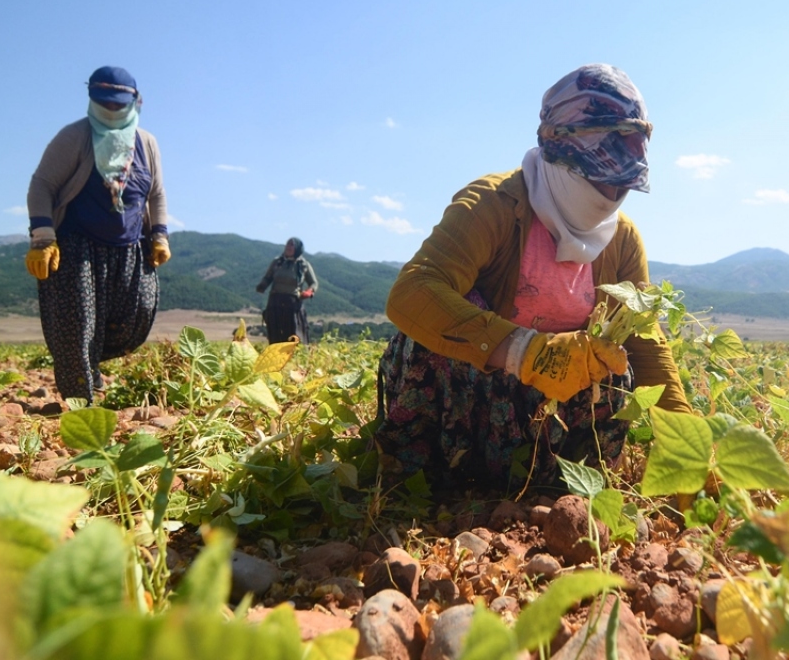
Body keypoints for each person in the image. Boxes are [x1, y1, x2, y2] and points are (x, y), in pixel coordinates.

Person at [375, 64, 693, 493]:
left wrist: (686, 449)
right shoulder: (492, 205)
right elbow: (412, 292)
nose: (610, 194)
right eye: (596, 175)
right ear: (556, 151)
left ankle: (549, 486)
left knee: (615, 364)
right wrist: (524, 352)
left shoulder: (622, 240)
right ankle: (427, 483)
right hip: (470, 402)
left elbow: (645, 342)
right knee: (433, 332)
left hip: (545, 418)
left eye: (621, 183)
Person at [25, 66, 170, 402]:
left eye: (119, 103)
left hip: (130, 247)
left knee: (137, 314)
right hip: (78, 246)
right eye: (105, 103)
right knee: (76, 324)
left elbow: (156, 193)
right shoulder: (74, 136)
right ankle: (81, 400)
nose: (112, 109)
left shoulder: (146, 143)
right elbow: (42, 185)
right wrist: (43, 237)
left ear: (135, 101)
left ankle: (91, 364)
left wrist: (160, 235)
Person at [255, 237, 319, 343]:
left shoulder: (303, 265)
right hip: (275, 302)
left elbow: (314, 283)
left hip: (292, 304)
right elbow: (268, 277)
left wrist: (309, 292)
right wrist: (262, 286)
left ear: (297, 248)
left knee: (293, 334)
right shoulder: (277, 262)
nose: (288, 247)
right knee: (275, 334)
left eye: (291, 245)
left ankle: (295, 353)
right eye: (287, 244)